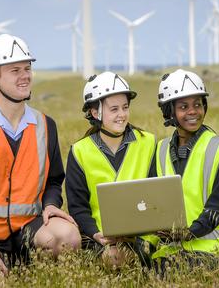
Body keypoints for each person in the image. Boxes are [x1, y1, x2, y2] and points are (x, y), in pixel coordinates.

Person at [0, 34, 81, 281]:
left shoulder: (46, 126)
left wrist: (52, 204)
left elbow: (54, 180)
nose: (25, 76)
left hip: (28, 230)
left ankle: (38, 267)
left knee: (69, 236)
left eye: (27, 68)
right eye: (15, 70)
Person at [149, 69, 219, 269]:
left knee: (170, 270)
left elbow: (217, 209)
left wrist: (188, 233)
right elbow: (153, 204)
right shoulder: (161, 150)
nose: (193, 111)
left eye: (198, 105)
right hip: (172, 250)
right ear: (169, 112)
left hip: (216, 248)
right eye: (184, 106)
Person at [65, 71, 156, 269]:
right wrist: (96, 234)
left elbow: (157, 197)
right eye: (114, 109)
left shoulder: (148, 143)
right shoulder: (79, 152)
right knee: (114, 259)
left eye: (125, 107)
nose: (122, 115)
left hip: (144, 237)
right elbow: (78, 207)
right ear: (95, 112)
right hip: (99, 237)